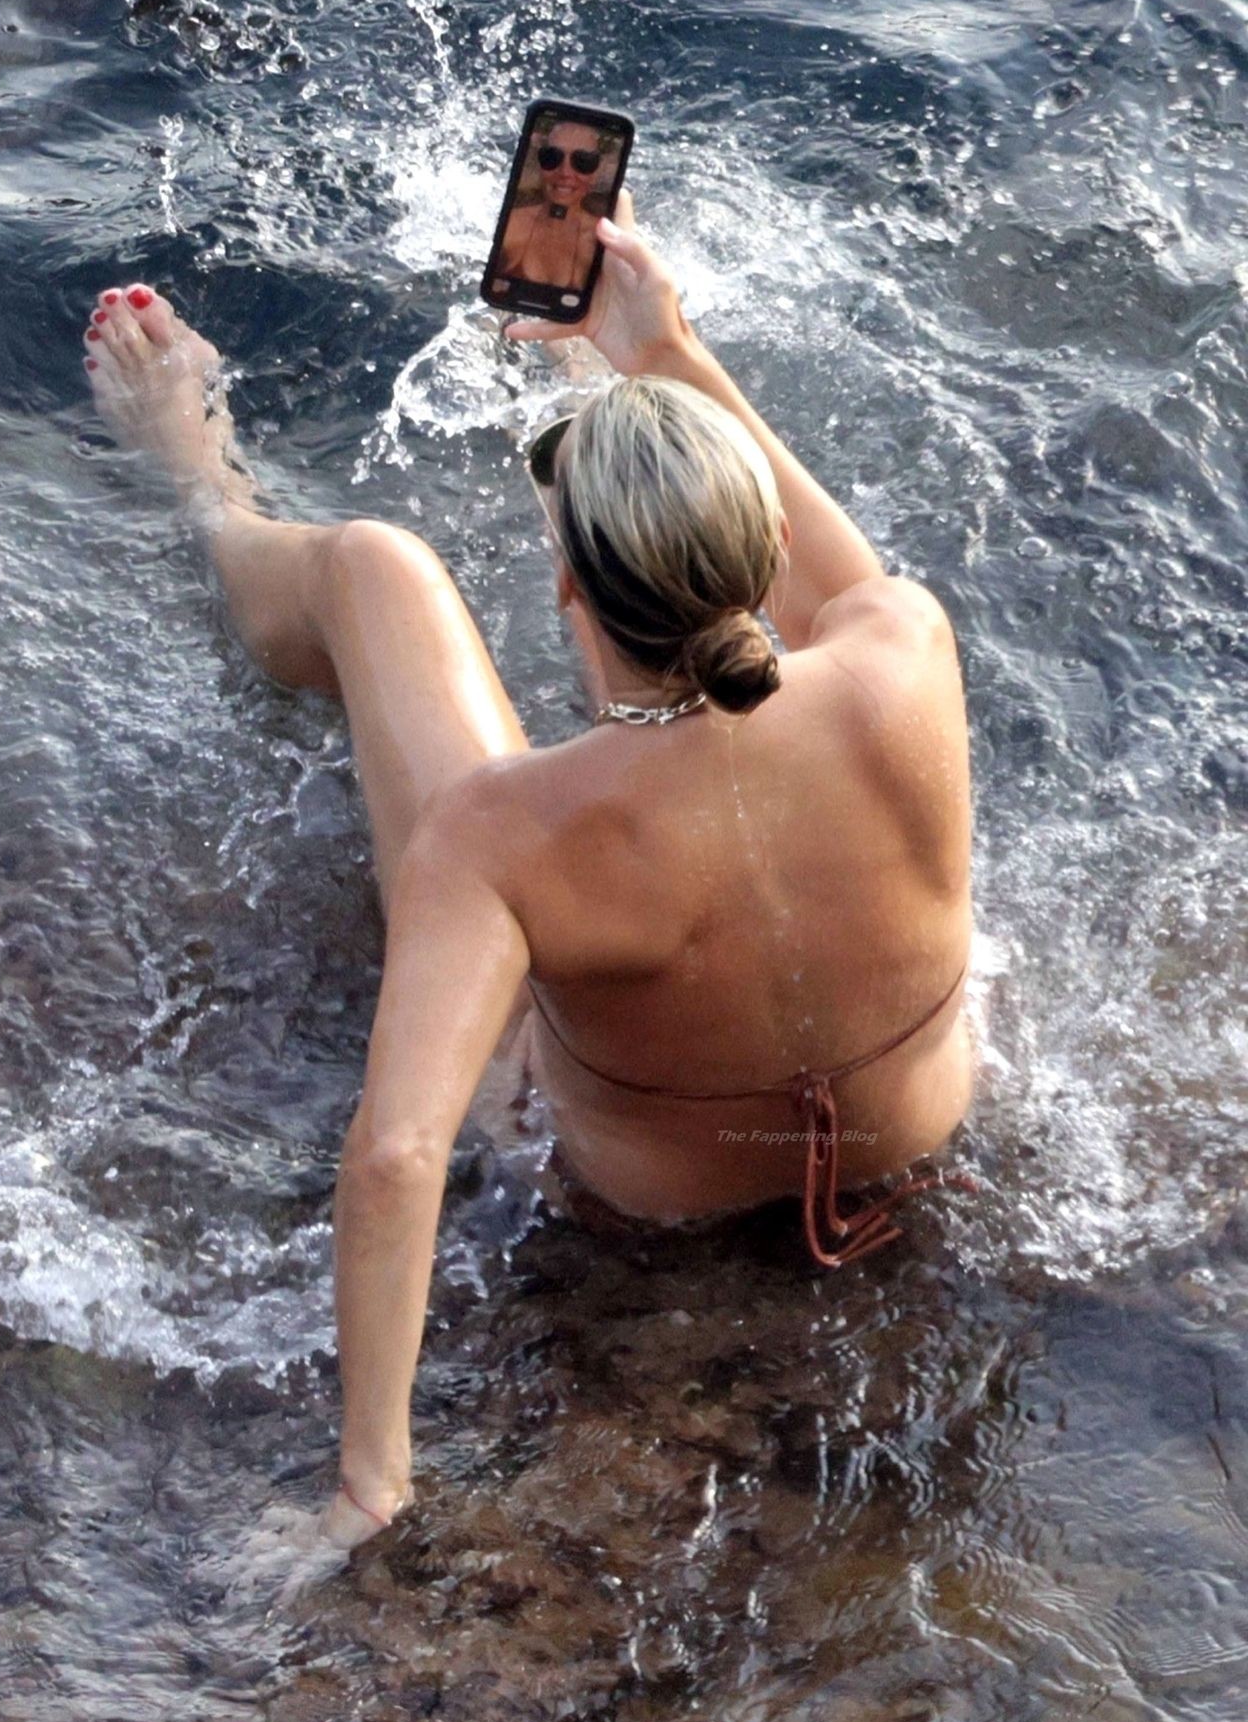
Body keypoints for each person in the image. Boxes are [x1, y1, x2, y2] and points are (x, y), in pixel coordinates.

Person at [80, 190, 973, 1552]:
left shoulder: (507, 836)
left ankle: (207, 487)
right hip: (913, 1146)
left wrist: (371, 1490)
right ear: (764, 549)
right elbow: (818, 579)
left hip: (646, 1209)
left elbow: (397, 1155)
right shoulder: (903, 649)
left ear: (567, 587)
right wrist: (657, 347)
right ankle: (605, 414)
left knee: (377, 569)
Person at [495, 119, 608, 290]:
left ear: (596, 173)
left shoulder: (603, 243)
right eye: (552, 158)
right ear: (540, 165)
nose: (565, 172)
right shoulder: (511, 224)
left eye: (583, 161)